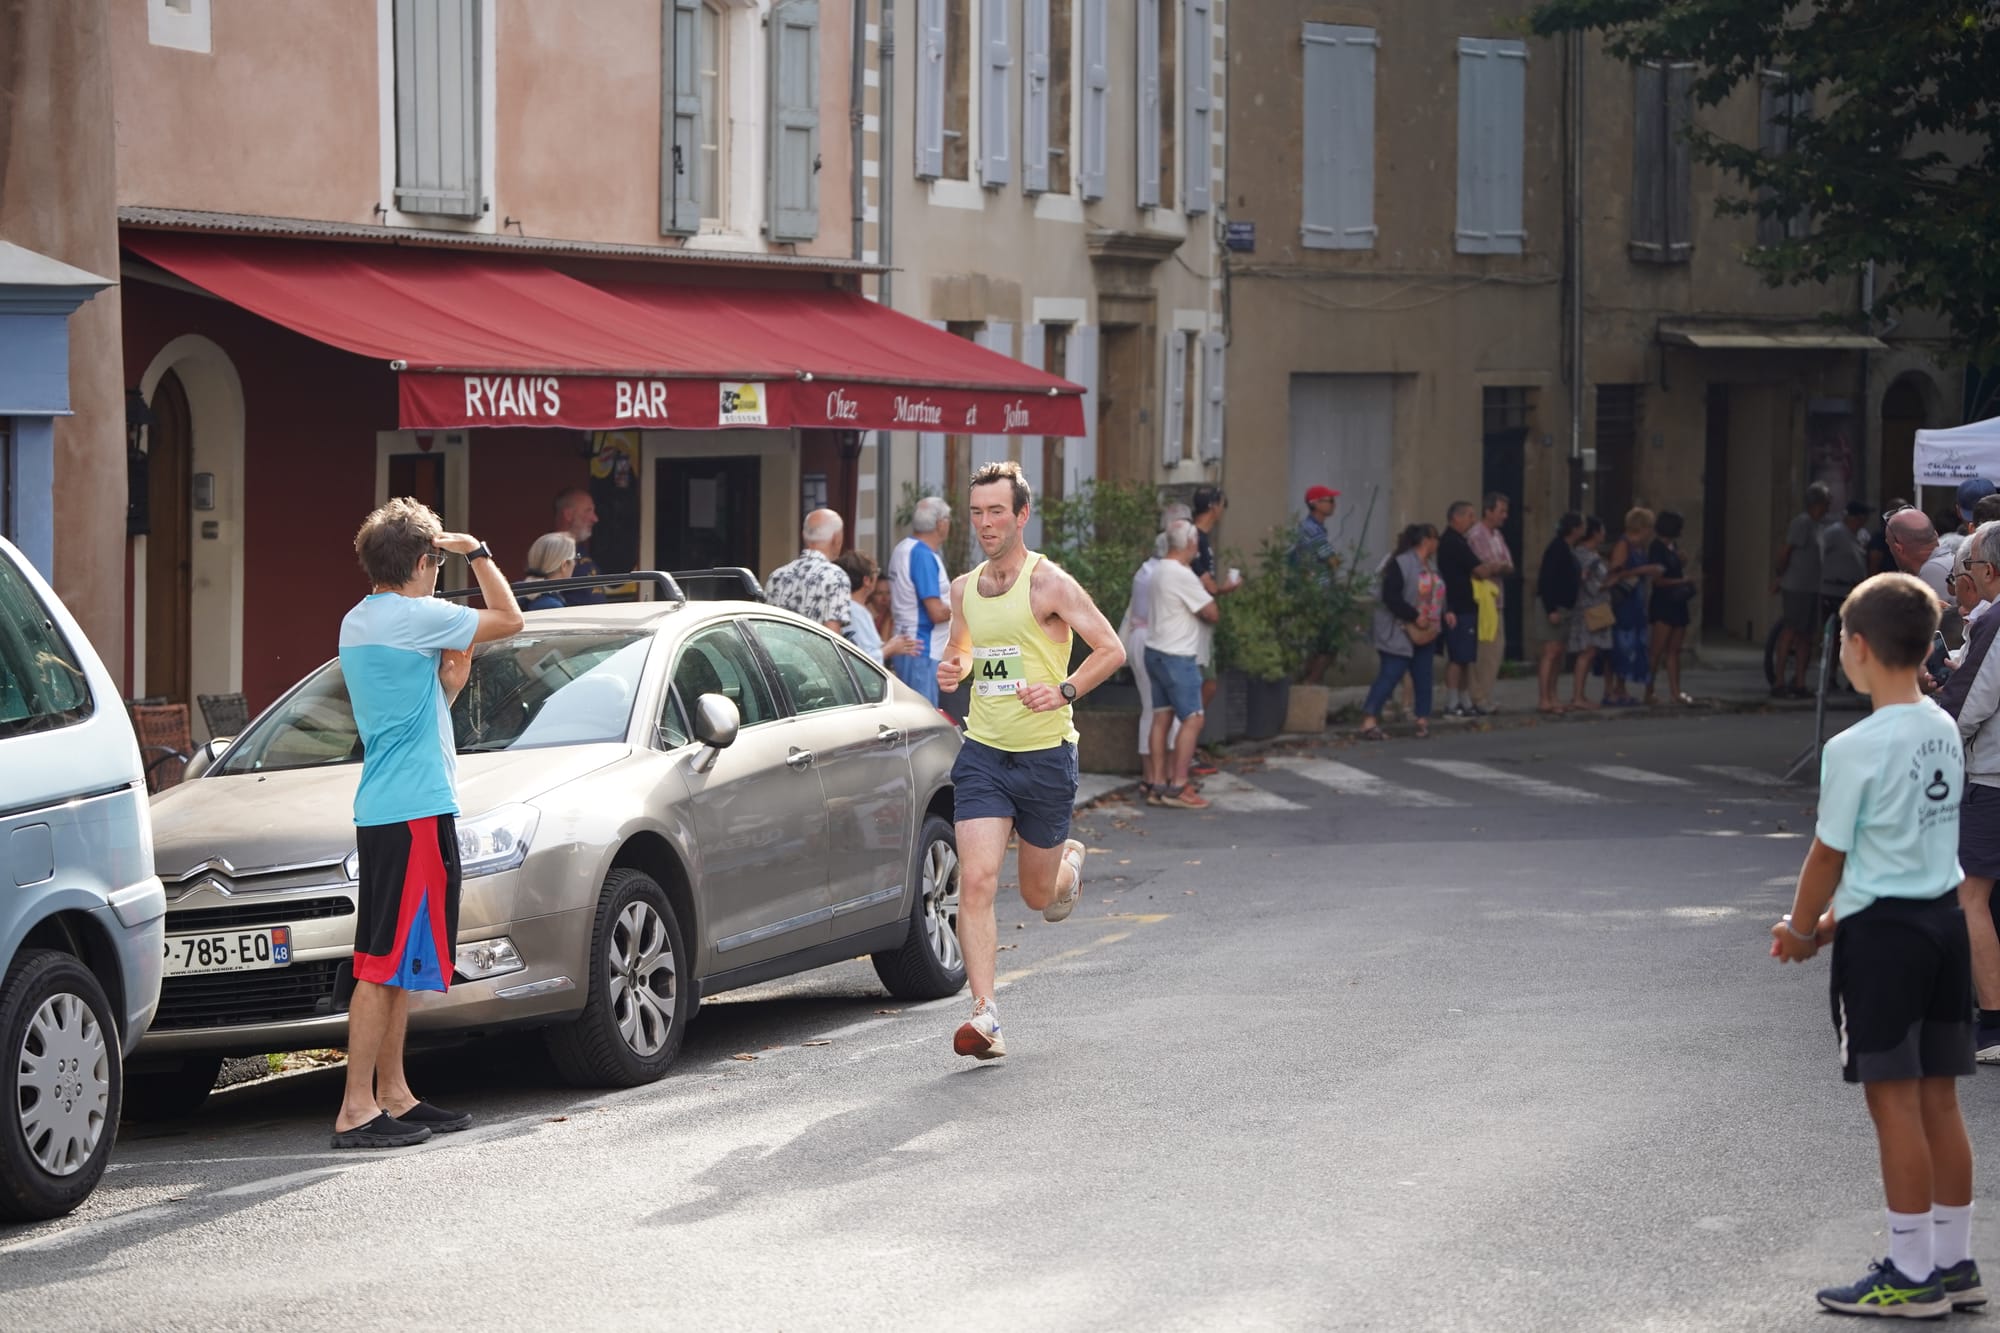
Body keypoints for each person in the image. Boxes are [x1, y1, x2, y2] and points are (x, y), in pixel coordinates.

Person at [1770, 572, 1981, 1319]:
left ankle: (1909, 1270)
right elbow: (1908, 845)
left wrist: (1802, 929)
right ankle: (1955, 1262)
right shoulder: (1941, 727)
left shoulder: (1853, 746)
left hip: (1886, 941)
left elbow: (1830, 855)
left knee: (1893, 1104)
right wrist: (1833, 924)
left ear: (1856, 648)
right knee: (1940, 1100)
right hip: (1943, 924)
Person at [333, 499, 525, 1149]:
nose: (441, 574)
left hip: (395, 803)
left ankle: (393, 1092)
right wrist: (477, 550)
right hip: (412, 809)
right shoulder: (414, 614)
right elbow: (510, 618)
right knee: (382, 961)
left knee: (401, 956)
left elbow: (405, 713)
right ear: (423, 563)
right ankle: (357, 1106)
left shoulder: (361, 620)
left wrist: (447, 684)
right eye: (438, 565)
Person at [935, 461, 1125, 1060]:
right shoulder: (964, 588)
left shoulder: (1051, 586)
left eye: (997, 511)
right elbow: (964, 651)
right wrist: (953, 668)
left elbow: (1111, 650)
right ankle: (985, 1014)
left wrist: (1063, 690)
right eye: (977, 513)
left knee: (1039, 897)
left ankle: (1067, 862)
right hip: (985, 753)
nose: (986, 523)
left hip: (1045, 756)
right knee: (977, 879)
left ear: (1021, 515)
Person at [1938, 522, 2000, 1064]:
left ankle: (1994, 1023)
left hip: (1993, 780)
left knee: (1971, 896)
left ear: (1989, 571)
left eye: (1972, 570)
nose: (1970, 579)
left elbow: (1967, 706)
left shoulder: (1996, 622)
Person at [1142, 519, 1218, 810]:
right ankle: (1178, 785)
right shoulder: (1183, 575)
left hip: (1155, 650)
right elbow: (1212, 612)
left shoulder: (1159, 569)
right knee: (1193, 717)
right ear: (1190, 544)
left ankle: (1157, 784)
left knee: (1161, 717)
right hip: (1177, 655)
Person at [1123, 503, 1191, 798]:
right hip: (1155, 641)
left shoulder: (1145, 571)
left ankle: (1153, 776)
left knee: (1153, 710)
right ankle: (1158, 777)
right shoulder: (1162, 574)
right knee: (1161, 712)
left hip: (1141, 638)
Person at [1358, 524, 1443, 741]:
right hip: (1399, 628)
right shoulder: (1400, 563)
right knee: (1391, 672)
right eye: (1436, 538)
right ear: (1426, 541)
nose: (1437, 543)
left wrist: (1443, 614)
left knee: (1423, 674)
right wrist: (1414, 616)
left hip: (1426, 629)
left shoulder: (1431, 566)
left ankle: (1422, 719)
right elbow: (1391, 596)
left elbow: (1438, 592)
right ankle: (1369, 720)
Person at [1188, 486, 1243, 760]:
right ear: (1213, 506)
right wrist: (1226, 589)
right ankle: (1186, 744)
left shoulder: (1199, 539)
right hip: (1193, 626)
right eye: (1221, 503)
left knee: (1204, 684)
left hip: (1195, 624)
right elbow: (1205, 586)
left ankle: (1188, 743)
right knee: (1203, 684)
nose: (1222, 510)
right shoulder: (1196, 540)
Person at [888, 496, 953, 704]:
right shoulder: (923, 556)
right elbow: (935, 612)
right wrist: (963, 607)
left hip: (908, 643)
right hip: (922, 649)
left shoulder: (902, 548)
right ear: (941, 523)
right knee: (925, 720)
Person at [1774, 483, 1833, 699]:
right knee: (1790, 631)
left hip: (1812, 588)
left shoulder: (1819, 526)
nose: (1828, 507)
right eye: (1826, 503)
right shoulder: (1802, 523)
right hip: (1797, 586)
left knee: (1807, 635)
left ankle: (1800, 681)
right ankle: (1779, 681)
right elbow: (1785, 551)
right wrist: (1779, 575)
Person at [1602, 508, 1660, 707]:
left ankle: (1622, 687)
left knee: (1631, 646)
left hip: (1636, 600)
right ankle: (1610, 689)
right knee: (1619, 644)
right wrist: (1644, 569)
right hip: (1623, 601)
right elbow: (1614, 574)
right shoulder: (1623, 545)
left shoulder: (1640, 547)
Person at [1467, 493, 1515, 714]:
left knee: (1496, 649)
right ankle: (1478, 697)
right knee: (1485, 651)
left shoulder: (1498, 536)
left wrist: (1498, 566)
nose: (1505, 516)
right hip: (1482, 601)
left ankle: (1485, 695)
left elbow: (1508, 565)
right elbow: (1483, 567)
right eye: (1501, 511)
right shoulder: (1477, 535)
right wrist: (1498, 566)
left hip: (1498, 600)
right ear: (1488, 511)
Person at [767, 509, 852, 631]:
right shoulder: (836, 577)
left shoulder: (776, 576)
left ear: (803, 535)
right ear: (836, 538)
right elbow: (832, 633)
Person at [1436, 502, 1484, 718]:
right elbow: (1478, 568)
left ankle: (1464, 699)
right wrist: (1497, 567)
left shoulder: (1460, 541)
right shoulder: (1451, 542)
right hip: (1456, 606)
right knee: (1456, 656)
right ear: (1456, 517)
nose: (1472, 521)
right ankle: (1452, 700)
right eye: (1469, 516)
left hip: (1467, 604)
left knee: (1466, 657)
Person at [1534, 512, 1585, 715]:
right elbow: (1546, 579)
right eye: (1580, 526)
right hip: (1554, 605)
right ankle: (1544, 697)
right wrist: (1551, 609)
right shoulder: (1557, 548)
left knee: (1558, 653)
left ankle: (1553, 695)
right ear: (1573, 529)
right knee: (1550, 652)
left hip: (1566, 606)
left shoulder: (1567, 549)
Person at [1644, 511, 1696, 706]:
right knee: (1656, 650)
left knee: (1674, 650)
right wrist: (1682, 580)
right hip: (1664, 602)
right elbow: (1657, 580)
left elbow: (1673, 568)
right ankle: (1649, 690)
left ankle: (1676, 691)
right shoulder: (1656, 548)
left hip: (1678, 602)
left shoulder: (1673, 547)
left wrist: (1682, 562)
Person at [1293, 485, 1343, 684]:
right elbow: (1332, 560)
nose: (1333, 504)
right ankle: (1309, 684)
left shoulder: (1316, 528)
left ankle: (1307, 683)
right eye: (1329, 500)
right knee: (1326, 645)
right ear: (1315, 504)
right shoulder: (1312, 529)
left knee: (1321, 645)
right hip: (1318, 594)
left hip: (1318, 591)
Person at [835, 550, 919, 664]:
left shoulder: (854, 609)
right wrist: (890, 648)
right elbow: (864, 658)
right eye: (875, 572)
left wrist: (893, 644)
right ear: (866, 581)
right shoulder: (855, 612)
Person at [1567, 518, 1612, 711]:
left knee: (1591, 651)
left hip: (1596, 606)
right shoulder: (1586, 556)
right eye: (1602, 530)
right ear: (1595, 533)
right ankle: (1577, 696)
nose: (1604, 534)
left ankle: (1580, 694)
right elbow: (1592, 585)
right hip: (1590, 607)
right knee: (1587, 651)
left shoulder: (1592, 554)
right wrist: (1616, 579)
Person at [1820, 500, 1873, 627]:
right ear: (1858, 518)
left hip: (1850, 591)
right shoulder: (1834, 532)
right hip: (1831, 589)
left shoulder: (1862, 535)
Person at [554, 487, 607, 606]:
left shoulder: (580, 549)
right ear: (568, 515)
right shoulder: (552, 552)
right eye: (588, 511)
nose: (595, 519)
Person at [519, 532, 578, 611]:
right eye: (576, 557)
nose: (575, 563)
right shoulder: (552, 606)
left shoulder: (513, 593)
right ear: (564, 565)